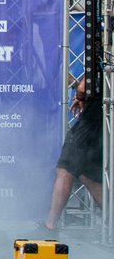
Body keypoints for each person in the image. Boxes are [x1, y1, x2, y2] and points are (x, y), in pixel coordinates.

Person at [46, 75, 104, 231]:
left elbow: (83, 87)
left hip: (93, 120)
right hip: (103, 118)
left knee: (65, 168)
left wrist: (79, 94)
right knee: (89, 175)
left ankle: (50, 226)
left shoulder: (102, 52)